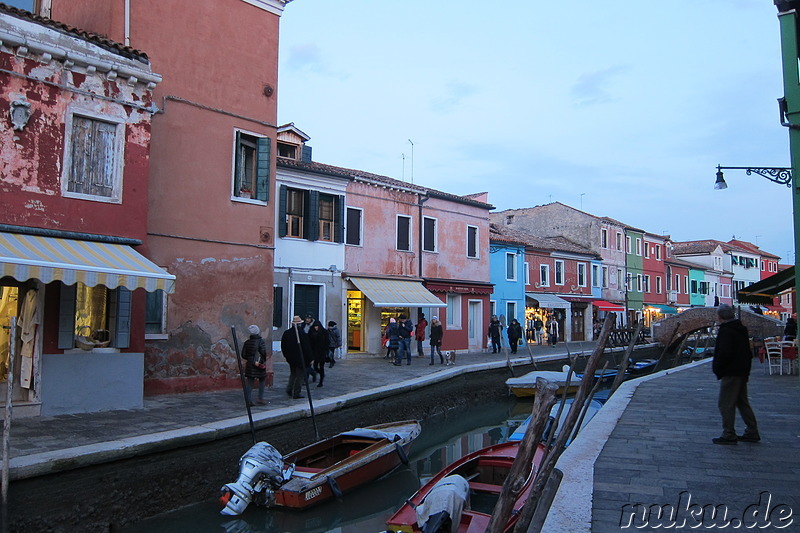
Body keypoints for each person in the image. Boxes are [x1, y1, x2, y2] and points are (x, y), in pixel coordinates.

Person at [711, 304, 760, 445]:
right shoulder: (740, 329)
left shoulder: (726, 331)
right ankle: (752, 431)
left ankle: (729, 434)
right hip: (742, 370)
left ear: (720, 317)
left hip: (731, 372)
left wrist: (718, 369)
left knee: (725, 404)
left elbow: (724, 352)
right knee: (742, 402)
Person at [280, 316, 311, 399]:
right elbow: (306, 347)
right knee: (300, 376)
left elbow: (283, 346)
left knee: (293, 374)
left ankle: (289, 388)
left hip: (291, 359)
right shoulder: (302, 334)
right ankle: (296, 393)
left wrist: (286, 356)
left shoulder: (287, 333)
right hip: (300, 359)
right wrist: (310, 358)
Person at [242, 325, 268, 406]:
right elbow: (263, 352)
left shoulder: (247, 342)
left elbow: (243, 355)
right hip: (259, 364)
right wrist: (262, 360)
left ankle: (248, 400)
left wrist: (250, 359)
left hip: (250, 364)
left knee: (250, 382)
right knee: (262, 380)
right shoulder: (260, 341)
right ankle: (260, 398)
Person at [308, 320, 330, 387]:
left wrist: (326, 351)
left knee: (321, 367)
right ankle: (320, 374)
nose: (316, 328)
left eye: (317, 326)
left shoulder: (324, 332)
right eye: (315, 326)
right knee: (315, 366)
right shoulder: (311, 332)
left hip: (322, 352)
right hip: (314, 352)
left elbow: (327, 342)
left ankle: (321, 380)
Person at [302, 313, 318, 382]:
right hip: (304, 346)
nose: (307, 320)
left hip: (311, 347)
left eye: (308, 318)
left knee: (307, 364)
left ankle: (305, 379)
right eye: (306, 318)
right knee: (305, 364)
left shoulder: (315, 326)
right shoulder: (303, 325)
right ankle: (313, 373)